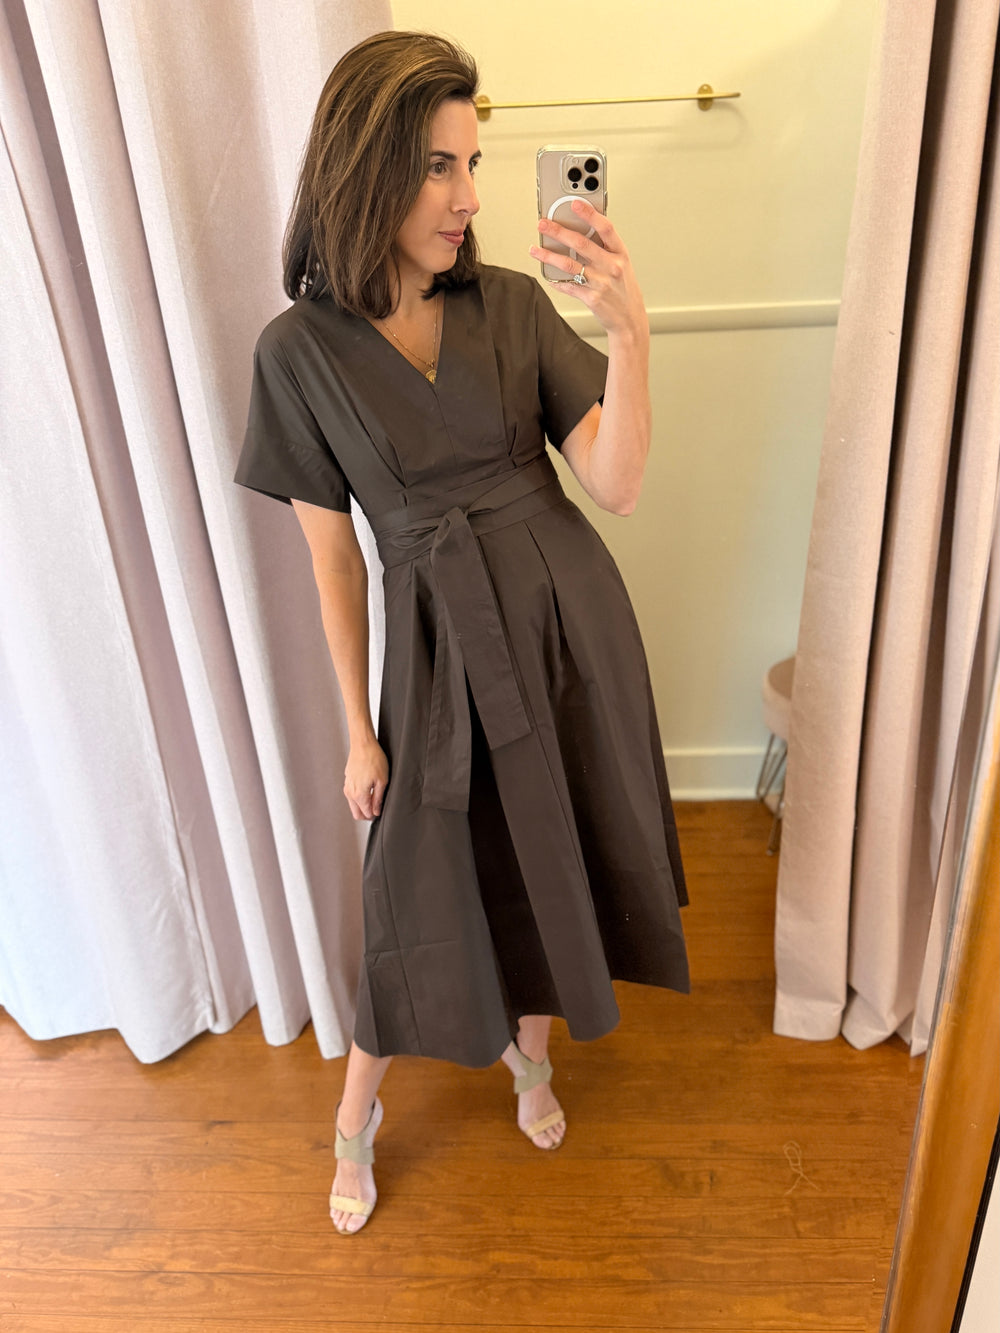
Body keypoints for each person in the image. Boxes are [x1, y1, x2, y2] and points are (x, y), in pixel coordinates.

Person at [234, 29, 689, 1235]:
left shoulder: (513, 306)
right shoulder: (296, 355)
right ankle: (355, 1115)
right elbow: (334, 557)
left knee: (545, 854)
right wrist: (357, 729)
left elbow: (616, 482)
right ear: (368, 166)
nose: (468, 197)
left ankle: (531, 1056)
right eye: (438, 165)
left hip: (564, 629)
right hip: (436, 657)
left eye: (472, 164)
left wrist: (632, 332)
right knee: (412, 891)